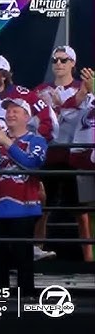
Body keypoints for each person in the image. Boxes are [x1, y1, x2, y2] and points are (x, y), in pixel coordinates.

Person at [0, 55, 58, 261]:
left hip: (22, 154)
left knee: (39, 197)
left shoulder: (22, 94)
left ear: (3, 75)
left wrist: (32, 141)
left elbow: (47, 120)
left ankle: (33, 248)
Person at [0, 98, 47, 295]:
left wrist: (7, 143)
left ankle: (26, 302)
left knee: (23, 256)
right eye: (8, 110)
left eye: (16, 110)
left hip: (23, 205)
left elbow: (33, 164)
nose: (10, 114)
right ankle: (0, 305)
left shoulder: (36, 140)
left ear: (27, 116)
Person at [33, 46, 91, 261]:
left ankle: (88, 258)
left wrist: (65, 105)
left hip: (73, 157)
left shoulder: (83, 87)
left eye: (63, 60)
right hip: (48, 155)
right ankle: (37, 249)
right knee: (41, 204)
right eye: (55, 60)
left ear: (73, 64)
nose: (58, 64)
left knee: (80, 210)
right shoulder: (40, 90)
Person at [61, 66, 95, 261]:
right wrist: (83, 92)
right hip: (82, 161)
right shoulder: (87, 98)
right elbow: (66, 113)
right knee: (85, 212)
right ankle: (89, 261)